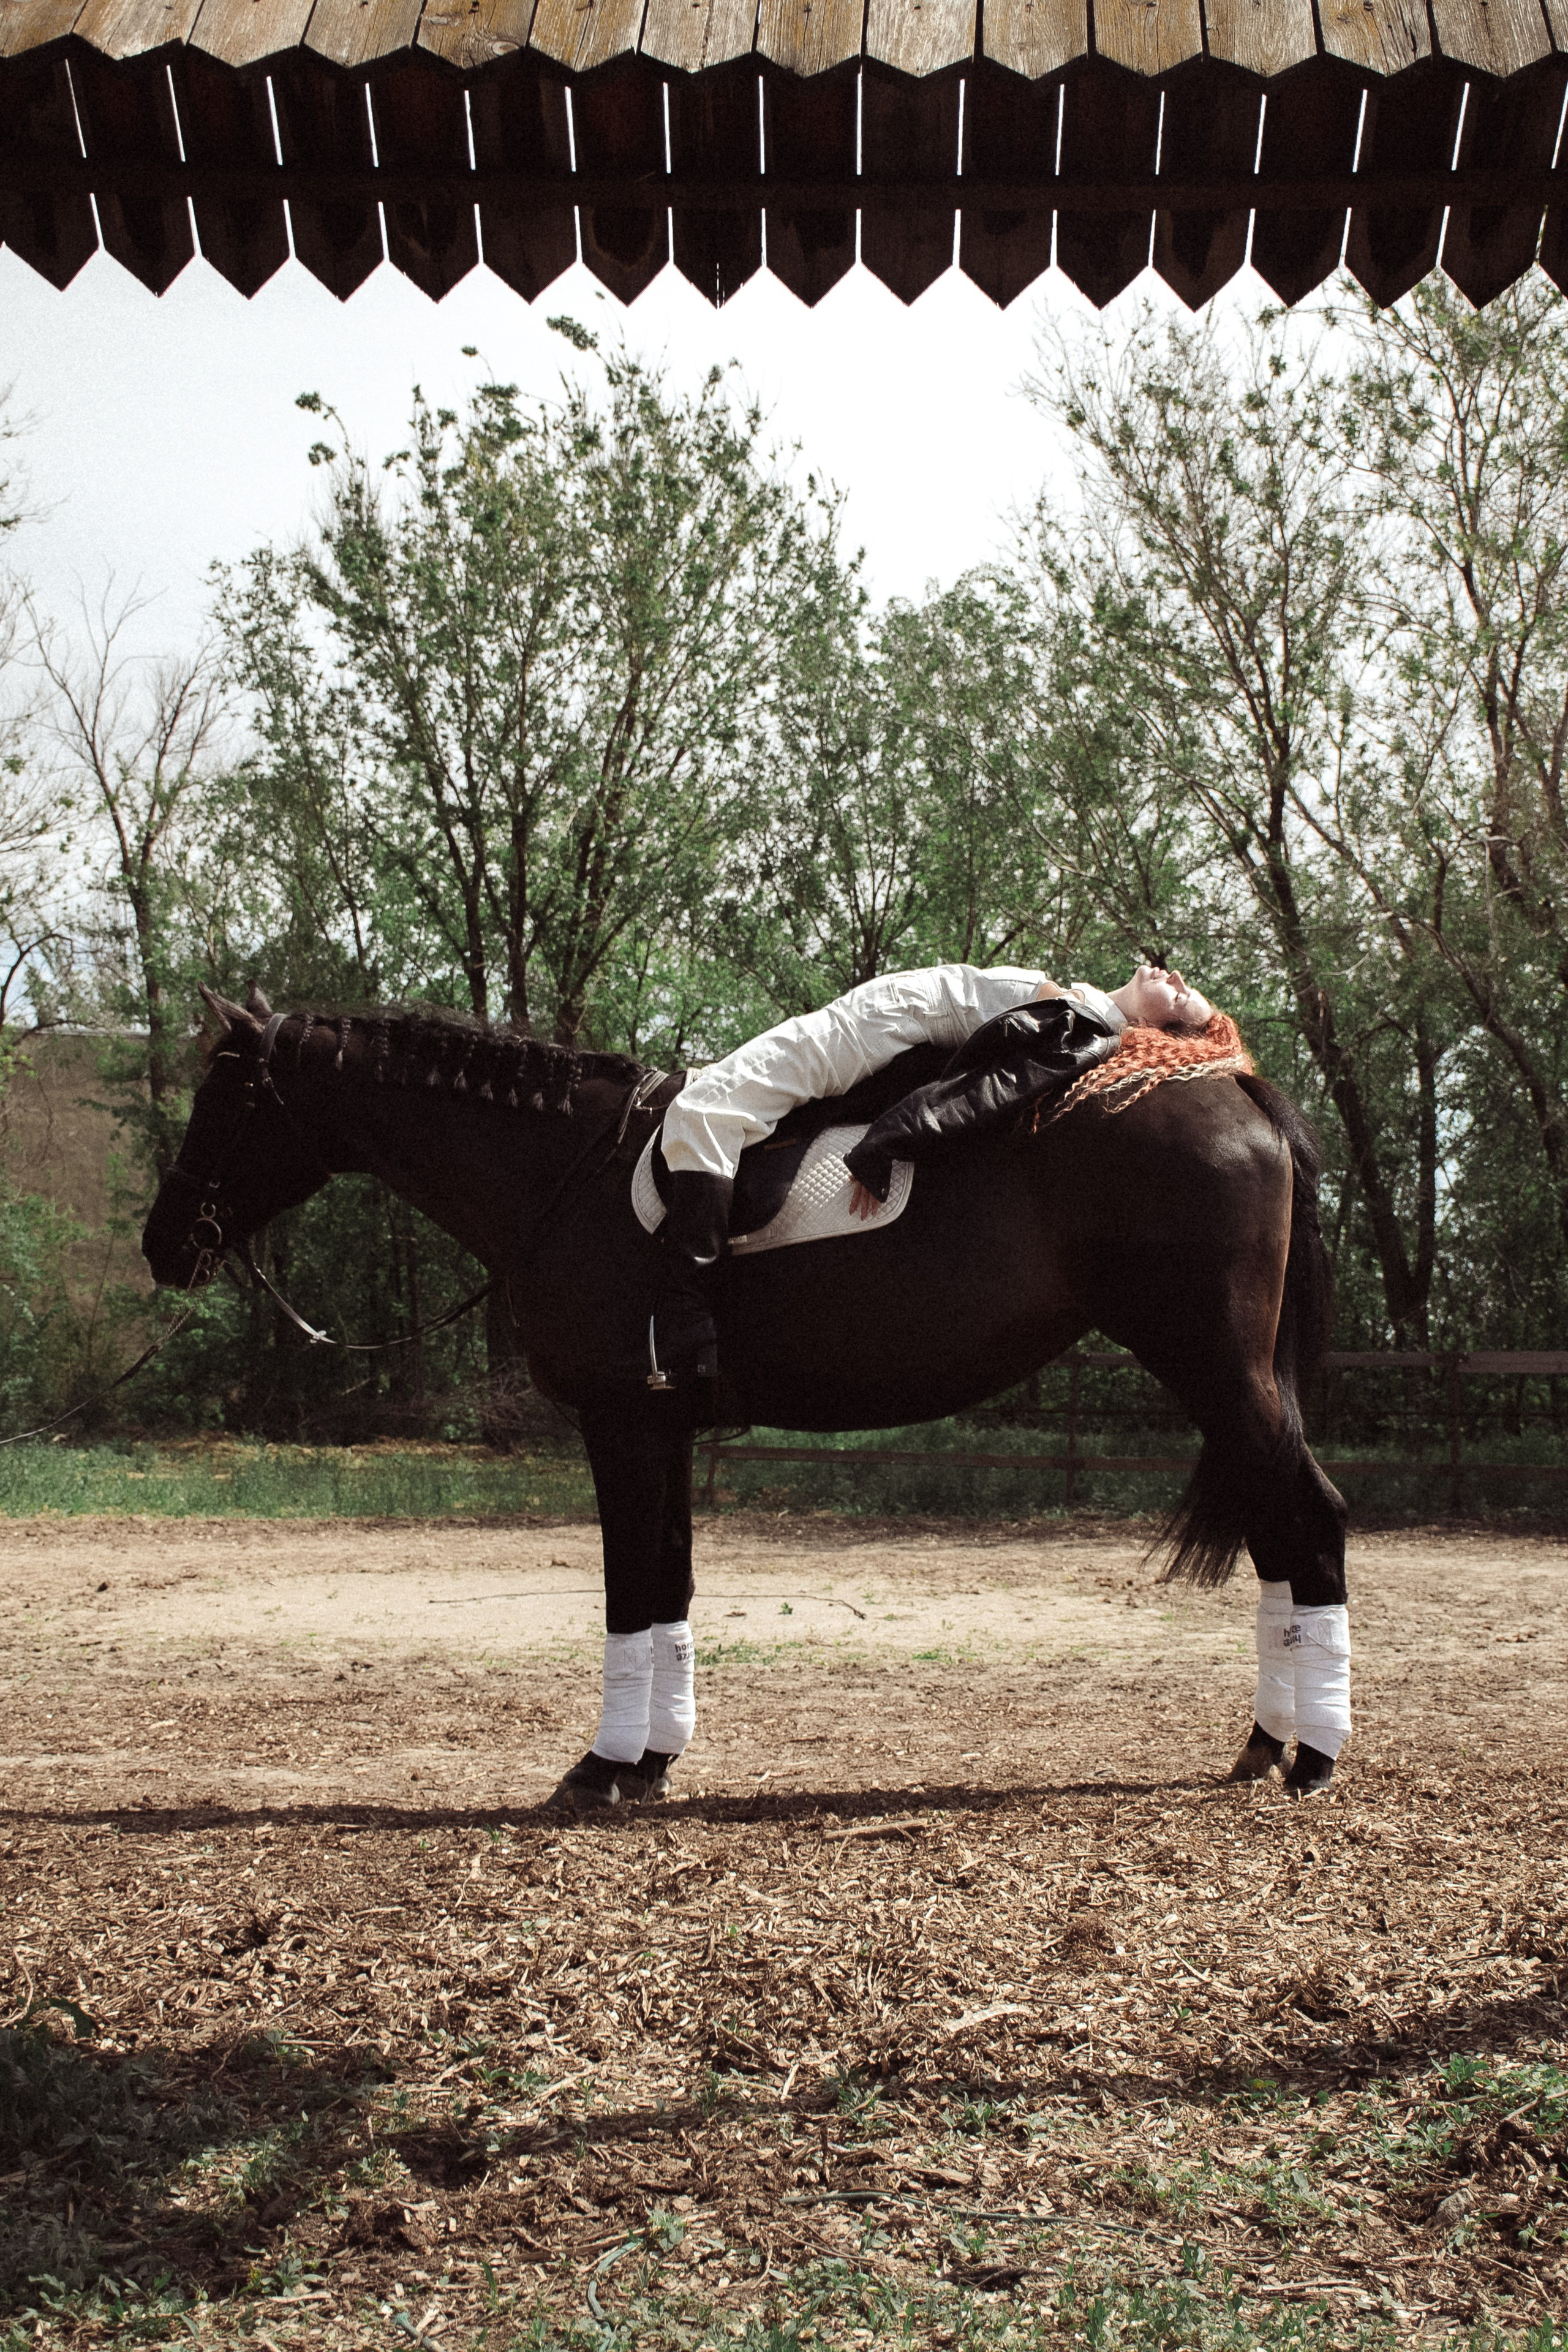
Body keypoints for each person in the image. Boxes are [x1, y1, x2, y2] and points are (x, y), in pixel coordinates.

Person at [647, 961, 1214, 1385]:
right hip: (872, 1021)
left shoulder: (1079, 1026)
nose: (1178, 978)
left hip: (864, 1032)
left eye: (1182, 997)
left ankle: (685, 1323)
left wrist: (889, 1141)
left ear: (1153, 1025)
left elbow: (985, 1091)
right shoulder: (1077, 1007)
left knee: (704, 1109)